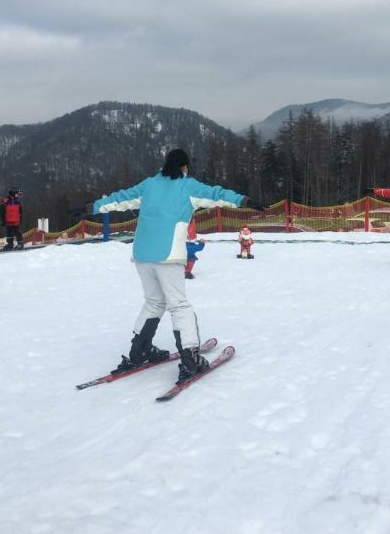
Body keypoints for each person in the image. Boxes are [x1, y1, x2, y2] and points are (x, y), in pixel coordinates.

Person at [90, 148, 265, 383]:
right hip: (169, 255)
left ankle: (139, 351)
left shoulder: (149, 184)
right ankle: (190, 360)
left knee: (154, 302)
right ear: (185, 167)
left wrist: (91, 206)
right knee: (179, 305)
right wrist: (244, 200)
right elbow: (216, 194)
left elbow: (119, 199)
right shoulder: (187, 185)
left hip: (142, 254)